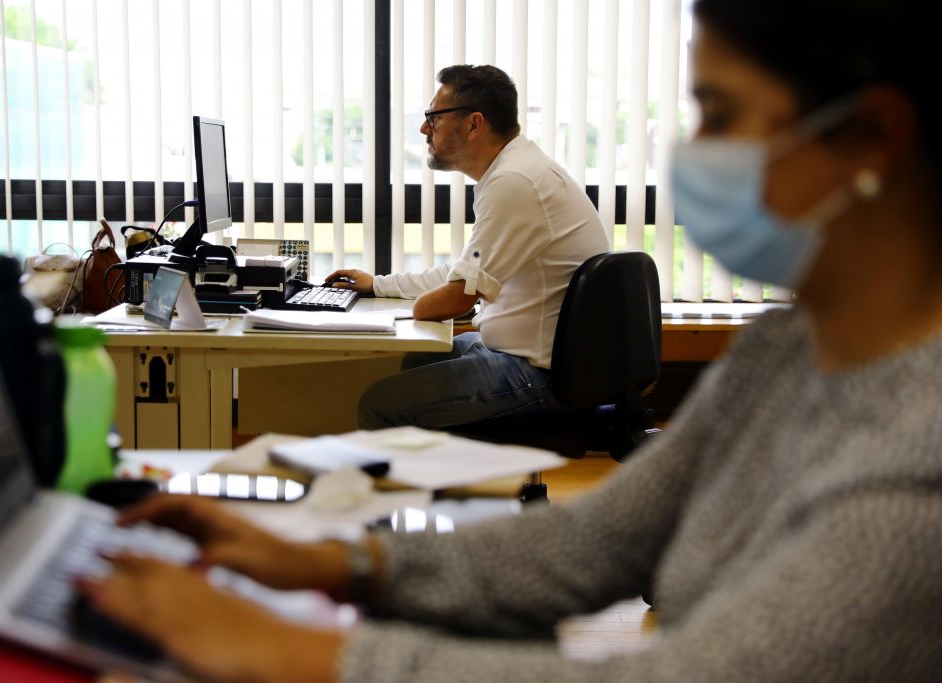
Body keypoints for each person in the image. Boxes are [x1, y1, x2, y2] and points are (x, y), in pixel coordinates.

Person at [79, 0, 942, 680]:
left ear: (871, 138)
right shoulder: (783, 351)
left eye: (719, 114)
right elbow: (594, 540)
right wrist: (342, 561)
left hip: (530, 367)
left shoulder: (914, 466)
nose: (693, 152)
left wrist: (300, 652)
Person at [323, 64, 609, 430]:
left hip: (541, 374)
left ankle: (433, 468)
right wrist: (379, 286)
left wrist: (411, 309)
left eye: (434, 117)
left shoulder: (514, 182)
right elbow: (462, 274)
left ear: (474, 124)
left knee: (379, 405)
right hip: (536, 356)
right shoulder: (516, 170)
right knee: (417, 361)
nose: (424, 128)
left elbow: (457, 297)